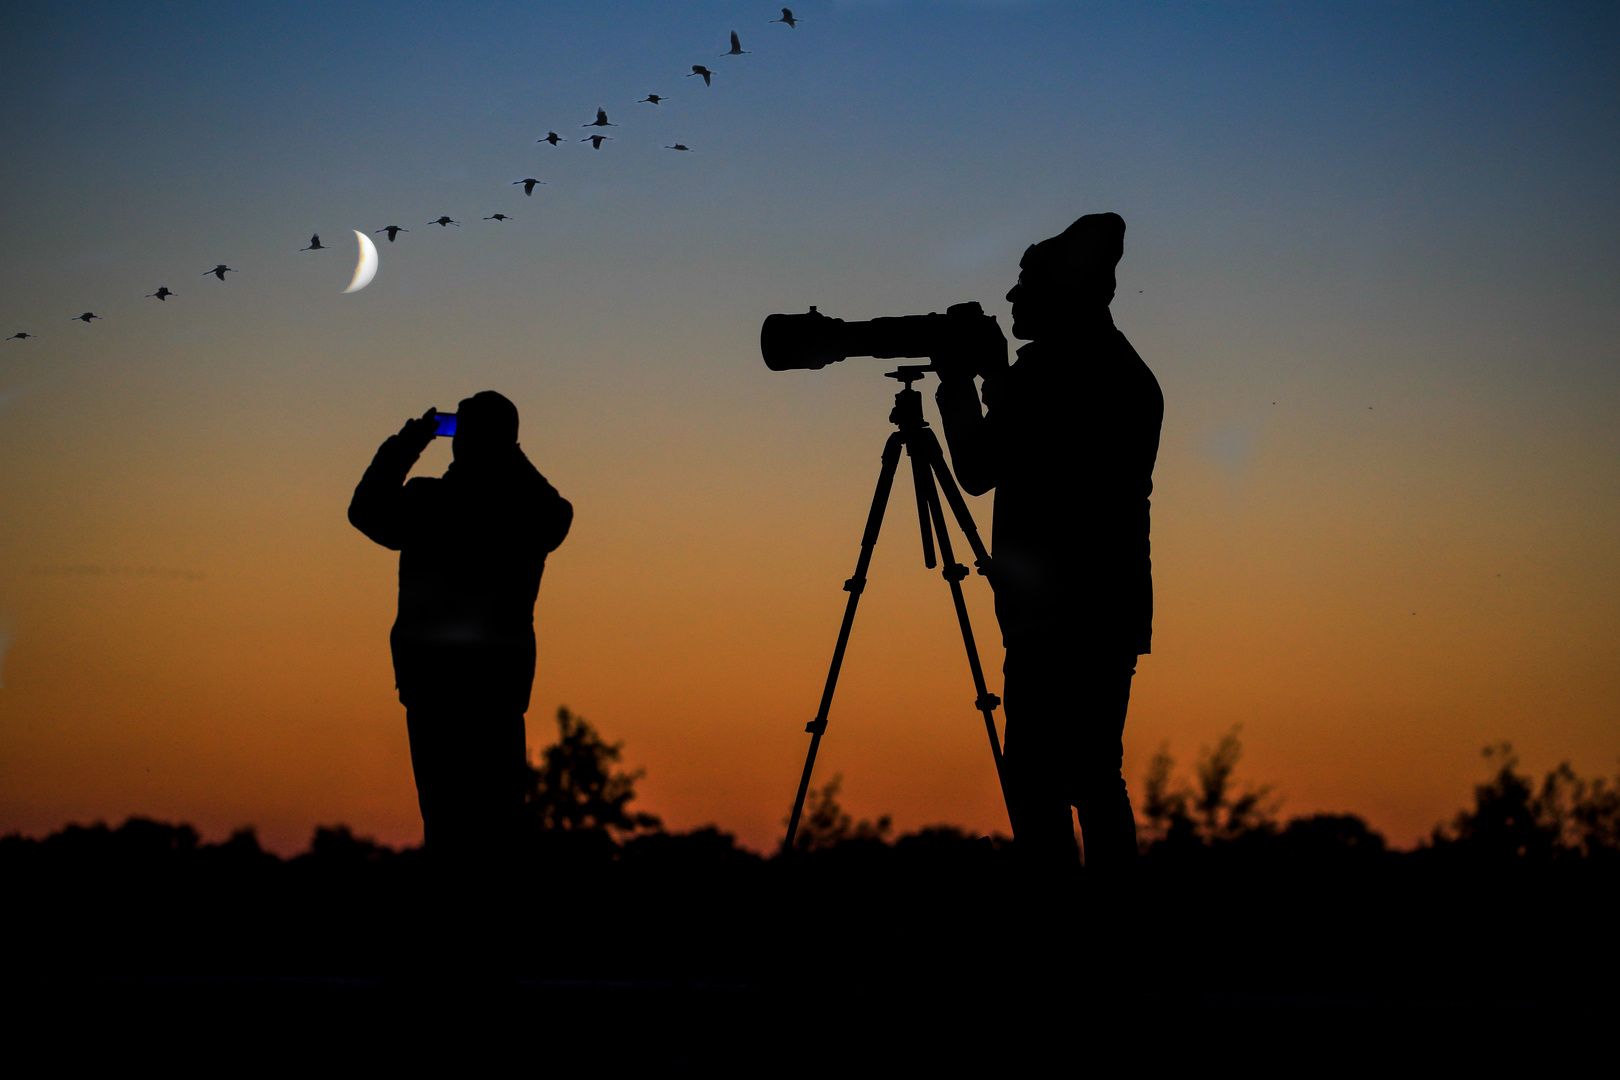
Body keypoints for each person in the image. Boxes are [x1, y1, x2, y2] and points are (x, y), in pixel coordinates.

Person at [933, 213, 1162, 887]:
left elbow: (979, 466)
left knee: (1037, 782)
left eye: (1027, 283)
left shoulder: (1054, 371)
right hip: (1110, 609)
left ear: (1063, 293)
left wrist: (953, 384)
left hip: (1053, 617)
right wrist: (997, 375)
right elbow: (1035, 444)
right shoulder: (1118, 369)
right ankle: (1103, 943)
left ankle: (1057, 936)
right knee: (1094, 775)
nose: (1012, 298)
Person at [348, 391, 572, 960]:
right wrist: (510, 453)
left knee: (448, 827)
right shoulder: (523, 511)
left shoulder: (426, 503)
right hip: (495, 692)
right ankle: (486, 955)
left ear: (460, 439)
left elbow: (366, 509)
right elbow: (557, 514)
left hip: (435, 690)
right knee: (494, 830)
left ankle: (453, 954)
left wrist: (408, 443)